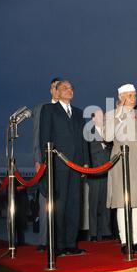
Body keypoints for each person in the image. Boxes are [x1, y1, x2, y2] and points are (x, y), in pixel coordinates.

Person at [40, 80, 90, 256]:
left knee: (75, 205)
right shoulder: (49, 109)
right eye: (65, 88)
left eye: (71, 88)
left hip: (76, 166)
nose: (70, 90)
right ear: (56, 91)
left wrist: (85, 162)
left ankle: (71, 243)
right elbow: (44, 137)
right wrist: (46, 162)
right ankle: (57, 245)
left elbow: (84, 140)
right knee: (59, 206)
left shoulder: (78, 112)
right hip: (58, 165)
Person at [104, 83, 137, 254]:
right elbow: (107, 136)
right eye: (131, 96)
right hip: (122, 163)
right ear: (121, 97)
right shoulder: (111, 114)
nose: (134, 99)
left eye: (134, 95)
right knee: (122, 202)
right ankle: (125, 241)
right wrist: (119, 113)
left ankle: (135, 241)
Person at [32, 77, 61, 252]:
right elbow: (36, 136)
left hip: (64, 163)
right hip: (45, 162)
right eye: (54, 87)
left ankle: (60, 240)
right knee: (45, 203)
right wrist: (37, 159)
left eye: (60, 86)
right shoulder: (41, 108)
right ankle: (44, 241)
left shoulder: (68, 110)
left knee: (62, 203)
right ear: (51, 90)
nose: (57, 89)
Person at [86, 110, 113, 241]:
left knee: (106, 204)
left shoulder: (109, 132)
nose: (102, 117)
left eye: (103, 115)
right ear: (93, 119)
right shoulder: (88, 133)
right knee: (94, 204)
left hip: (107, 173)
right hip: (94, 173)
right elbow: (87, 152)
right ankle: (93, 233)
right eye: (99, 116)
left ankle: (106, 232)